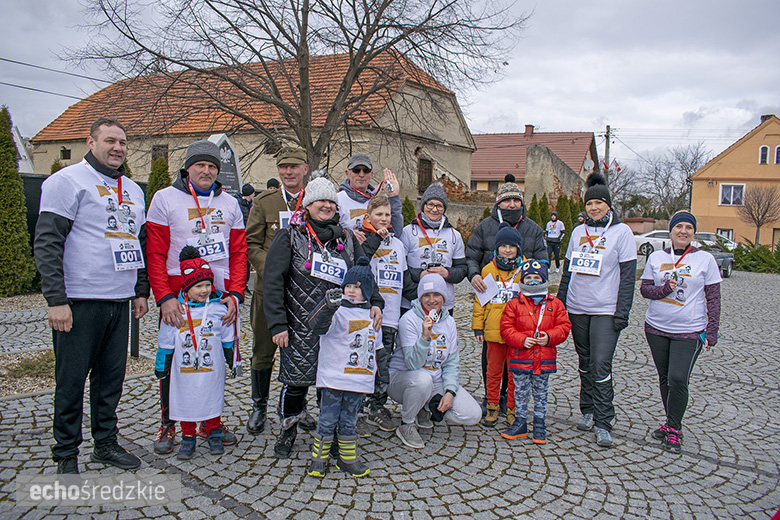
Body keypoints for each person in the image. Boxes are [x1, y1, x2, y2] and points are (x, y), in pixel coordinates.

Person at [34, 117, 149, 474]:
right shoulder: (65, 182)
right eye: (110, 140)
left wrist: (140, 290)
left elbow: (137, 242)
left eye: (123, 142)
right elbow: (48, 243)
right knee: (70, 380)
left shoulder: (133, 189)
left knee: (110, 379)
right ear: (90, 142)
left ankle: (105, 444)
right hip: (80, 300)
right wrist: (56, 300)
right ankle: (66, 452)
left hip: (119, 300)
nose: (118, 148)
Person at [263, 174, 384, 458]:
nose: (327, 205)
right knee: (296, 382)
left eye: (331, 200)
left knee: (330, 383)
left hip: (337, 326)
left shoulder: (345, 238)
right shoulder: (290, 236)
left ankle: (326, 435)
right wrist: (278, 323)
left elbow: (361, 273)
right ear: (308, 204)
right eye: (321, 200)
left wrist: (375, 300)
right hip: (299, 323)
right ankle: (288, 428)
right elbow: (272, 281)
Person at [146, 139, 247, 454]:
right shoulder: (165, 198)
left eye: (212, 166)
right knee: (177, 358)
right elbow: (156, 251)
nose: (206, 171)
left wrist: (235, 294)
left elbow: (239, 252)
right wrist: (163, 297)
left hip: (218, 295)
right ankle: (168, 424)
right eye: (200, 165)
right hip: (179, 297)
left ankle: (208, 420)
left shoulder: (230, 203)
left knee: (212, 358)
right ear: (187, 167)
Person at [556, 172, 637, 448]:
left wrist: (622, 312)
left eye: (599, 203)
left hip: (605, 310)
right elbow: (567, 273)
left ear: (608, 205)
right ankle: (588, 411)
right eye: (590, 204)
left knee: (601, 363)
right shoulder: (578, 231)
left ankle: (604, 422)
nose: (594, 208)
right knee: (585, 363)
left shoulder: (622, 232)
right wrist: (560, 306)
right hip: (578, 308)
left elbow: (628, 277)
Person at [245, 147, 316, 435]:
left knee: (302, 352)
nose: (288, 172)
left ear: (304, 169)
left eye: (294, 166)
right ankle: (259, 404)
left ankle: (298, 406)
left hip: (303, 294)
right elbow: (252, 244)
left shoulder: (314, 200)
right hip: (269, 291)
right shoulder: (265, 202)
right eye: (283, 167)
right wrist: (274, 271)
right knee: (263, 350)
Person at [465, 174, 548, 416]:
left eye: (516, 201)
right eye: (507, 201)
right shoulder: (484, 227)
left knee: (516, 359)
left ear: (522, 203)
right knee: (491, 358)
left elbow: (543, 260)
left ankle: (510, 400)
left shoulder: (533, 229)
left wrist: (535, 276)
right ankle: (492, 397)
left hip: (522, 308)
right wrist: (474, 275)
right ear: (498, 203)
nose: (512, 205)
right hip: (491, 301)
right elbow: (471, 255)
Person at [640, 211, 721, 454]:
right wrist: (664, 289)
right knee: (665, 378)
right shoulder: (656, 257)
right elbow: (645, 290)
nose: (683, 231)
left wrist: (712, 330)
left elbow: (713, 297)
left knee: (678, 378)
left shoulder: (705, 259)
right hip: (656, 328)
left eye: (688, 227)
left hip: (689, 330)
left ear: (694, 232)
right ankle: (670, 422)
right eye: (679, 227)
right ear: (671, 230)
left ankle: (675, 428)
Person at [155, 246, 236, 460]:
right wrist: (161, 364)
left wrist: (232, 358)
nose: (204, 290)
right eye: (199, 285)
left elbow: (228, 336)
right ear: (187, 287)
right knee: (185, 399)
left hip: (211, 368)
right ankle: (188, 435)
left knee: (212, 396)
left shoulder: (219, 309)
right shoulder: (176, 311)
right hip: (184, 369)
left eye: (208, 284)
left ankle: (213, 430)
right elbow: (165, 340)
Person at [389, 274, 482, 449]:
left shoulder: (449, 322)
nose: (432, 300)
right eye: (427, 295)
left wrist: (449, 391)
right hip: (403, 379)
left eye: (437, 295)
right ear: (420, 297)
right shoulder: (408, 319)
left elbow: (451, 362)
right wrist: (425, 336)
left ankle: (424, 406)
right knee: (423, 380)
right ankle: (407, 423)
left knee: (472, 414)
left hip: (435, 380)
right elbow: (412, 364)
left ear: (444, 297)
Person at [306, 258, 378, 478]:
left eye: (357, 287)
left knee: (349, 421)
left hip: (358, 381)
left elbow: (377, 349)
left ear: (366, 291)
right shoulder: (336, 311)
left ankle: (347, 459)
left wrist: (380, 375)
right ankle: (319, 459)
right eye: (348, 286)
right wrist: (328, 307)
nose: (352, 291)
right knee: (327, 419)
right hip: (334, 378)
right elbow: (316, 326)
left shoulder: (373, 316)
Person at [500, 260, 571, 443]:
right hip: (520, 359)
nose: (532, 281)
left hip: (544, 359)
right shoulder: (514, 304)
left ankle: (540, 425)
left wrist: (550, 337)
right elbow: (506, 329)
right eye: (528, 277)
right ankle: (520, 423)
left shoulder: (555, 304)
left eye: (536, 277)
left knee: (541, 393)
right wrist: (521, 340)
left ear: (544, 279)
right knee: (520, 392)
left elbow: (564, 327)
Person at [357, 193, 410, 432]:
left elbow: (405, 279)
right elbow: (358, 267)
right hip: (367, 316)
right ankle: (356, 408)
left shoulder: (397, 243)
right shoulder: (361, 240)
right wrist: (374, 239)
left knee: (383, 366)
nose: (384, 218)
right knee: (363, 363)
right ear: (368, 216)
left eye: (387, 215)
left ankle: (376, 407)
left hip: (390, 318)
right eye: (379, 214)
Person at [471, 222, 524, 428]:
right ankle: (492, 405)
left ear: (518, 248)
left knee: (514, 373)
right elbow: (480, 301)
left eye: (512, 246)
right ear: (497, 247)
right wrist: (478, 327)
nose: (508, 250)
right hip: (493, 331)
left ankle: (511, 407)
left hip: (517, 332)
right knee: (492, 372)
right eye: (503, 246)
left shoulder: (524, 269)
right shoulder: (488, 269)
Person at [401, 183, 468, 313]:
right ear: (423, 206)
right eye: (430, 204)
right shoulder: (408, 232)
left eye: (439, 206)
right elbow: (401, 267)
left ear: (444, 208)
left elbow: (462, 269)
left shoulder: (454, 235)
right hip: (411, 302)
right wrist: (420, 274)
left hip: (443, 304)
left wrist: (447, 273)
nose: (434, 209)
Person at [336, 153, 403, 242]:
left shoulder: (376, 202)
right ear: (348, 173)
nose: (361, 174)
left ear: (371, 174)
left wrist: (393, 196)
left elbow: (396, 233)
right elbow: (327, 230)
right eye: (356, 170)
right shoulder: (337, 200)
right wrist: (346, 234)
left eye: (366, 170)